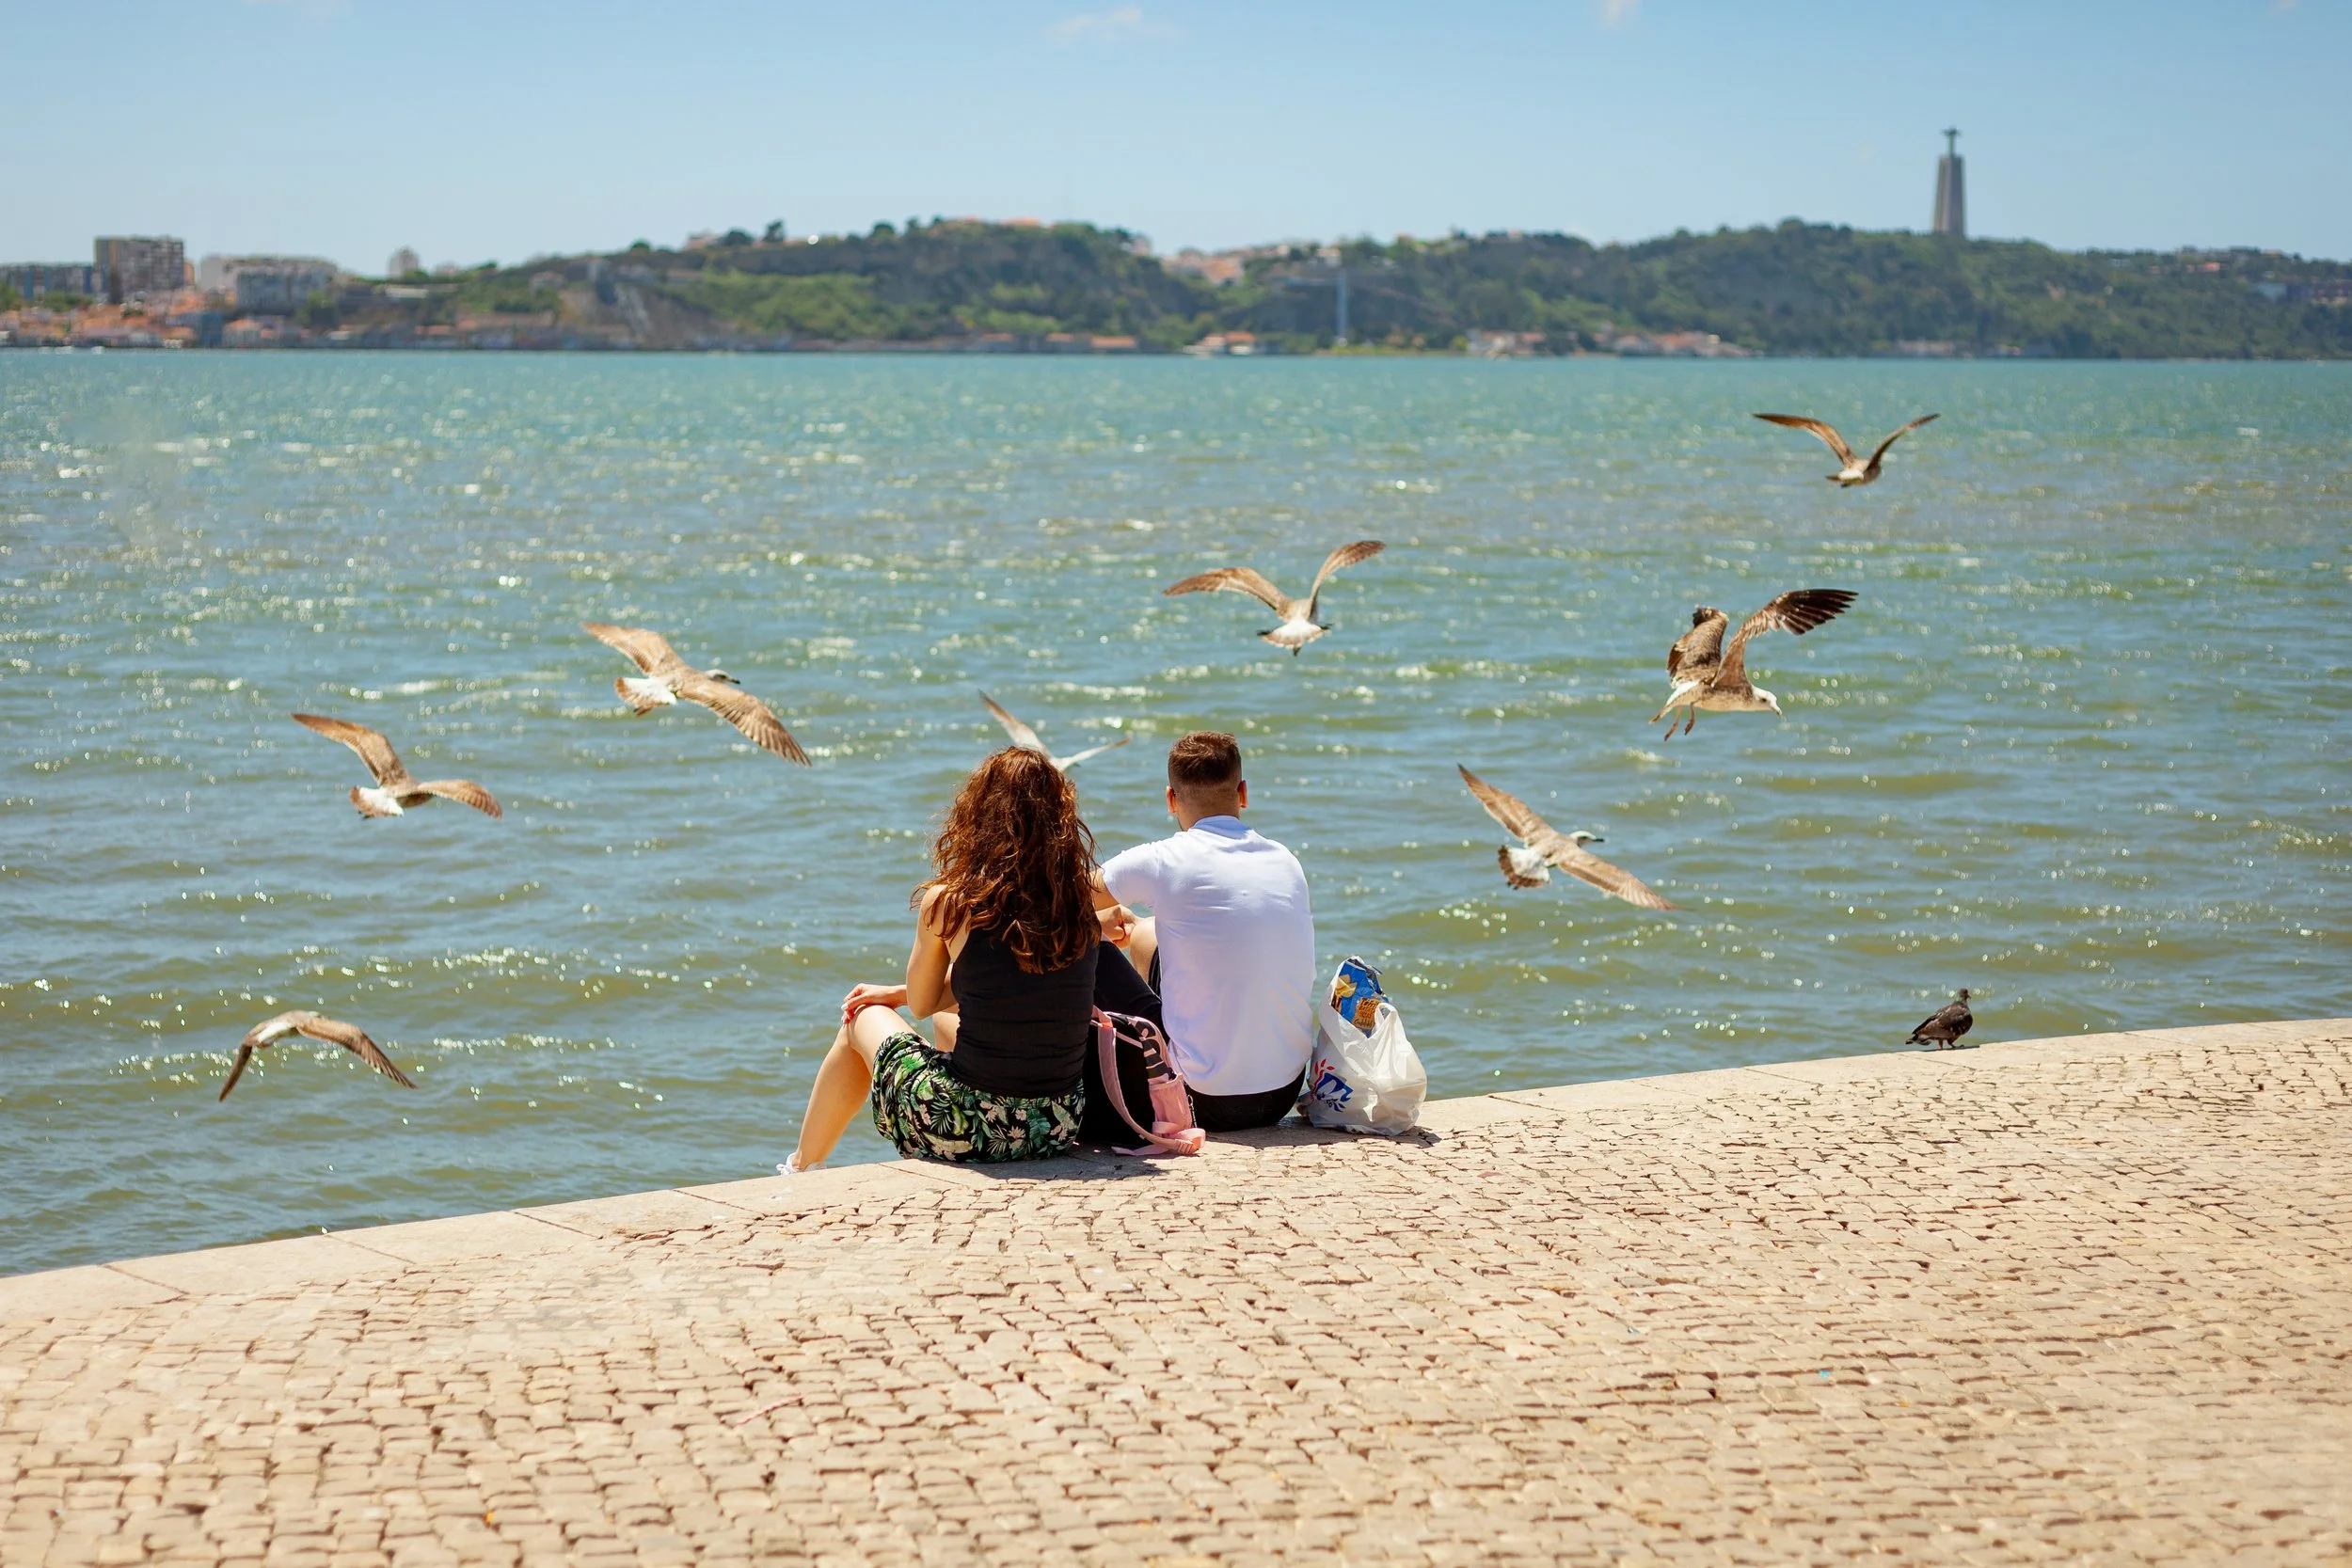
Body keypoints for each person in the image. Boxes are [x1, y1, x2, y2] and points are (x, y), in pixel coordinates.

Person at [784, 747, 1104, 1169]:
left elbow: (921, 1001)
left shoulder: (951, 902)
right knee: (946, 1021)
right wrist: (897, 993)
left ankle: (801, 1167)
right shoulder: (1080, 899)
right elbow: (1010, 983)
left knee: (859, 1019)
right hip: (1056, 1124)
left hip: (970, 1130)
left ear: (979, 814)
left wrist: (900, 997)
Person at [1096, 732, 1316, 1132]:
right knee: (1146, 934)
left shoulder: (1162, 859)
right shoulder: (1286, 860)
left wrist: (1095, 925)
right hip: (1283, 1091)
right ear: (1243, 792)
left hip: (1201, 1100)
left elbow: (1053, 903)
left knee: (1085, 947)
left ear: (1170, 799)